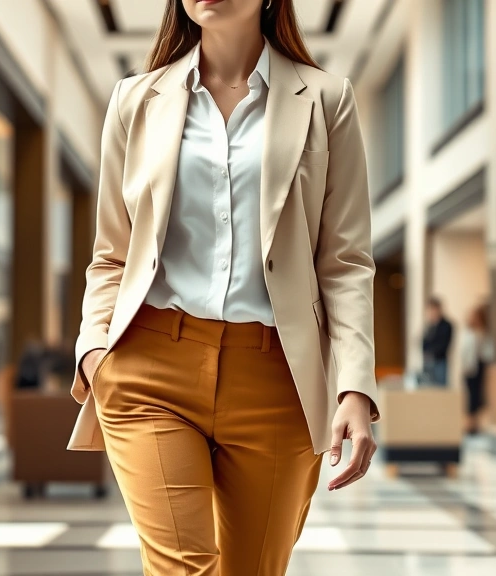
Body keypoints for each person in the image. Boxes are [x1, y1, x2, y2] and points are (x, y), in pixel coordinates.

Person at [65, 1, 379, 573]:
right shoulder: (135, 101)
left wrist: (353, 386)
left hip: (276, 377)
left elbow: (344, 260)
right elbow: (111, 252)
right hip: (149, 370)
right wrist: (93, 349)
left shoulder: (327, 98)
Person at [460, 305, 492, 435]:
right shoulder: (467, 334)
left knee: (479, 396)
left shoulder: (484, 333)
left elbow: (488, 351)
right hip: (469, 368)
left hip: (481, 366)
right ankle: (470, 424)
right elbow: (464, 352)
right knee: (471, 396)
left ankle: (476, 423)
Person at [422, 297, 453, 386]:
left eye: (433, 309)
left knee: (440, 387)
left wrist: (432, 352)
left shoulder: (446, 325)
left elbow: (444, 344)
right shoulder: (429, 326)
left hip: (439, 361)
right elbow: (424, 343)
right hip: (428, 361)